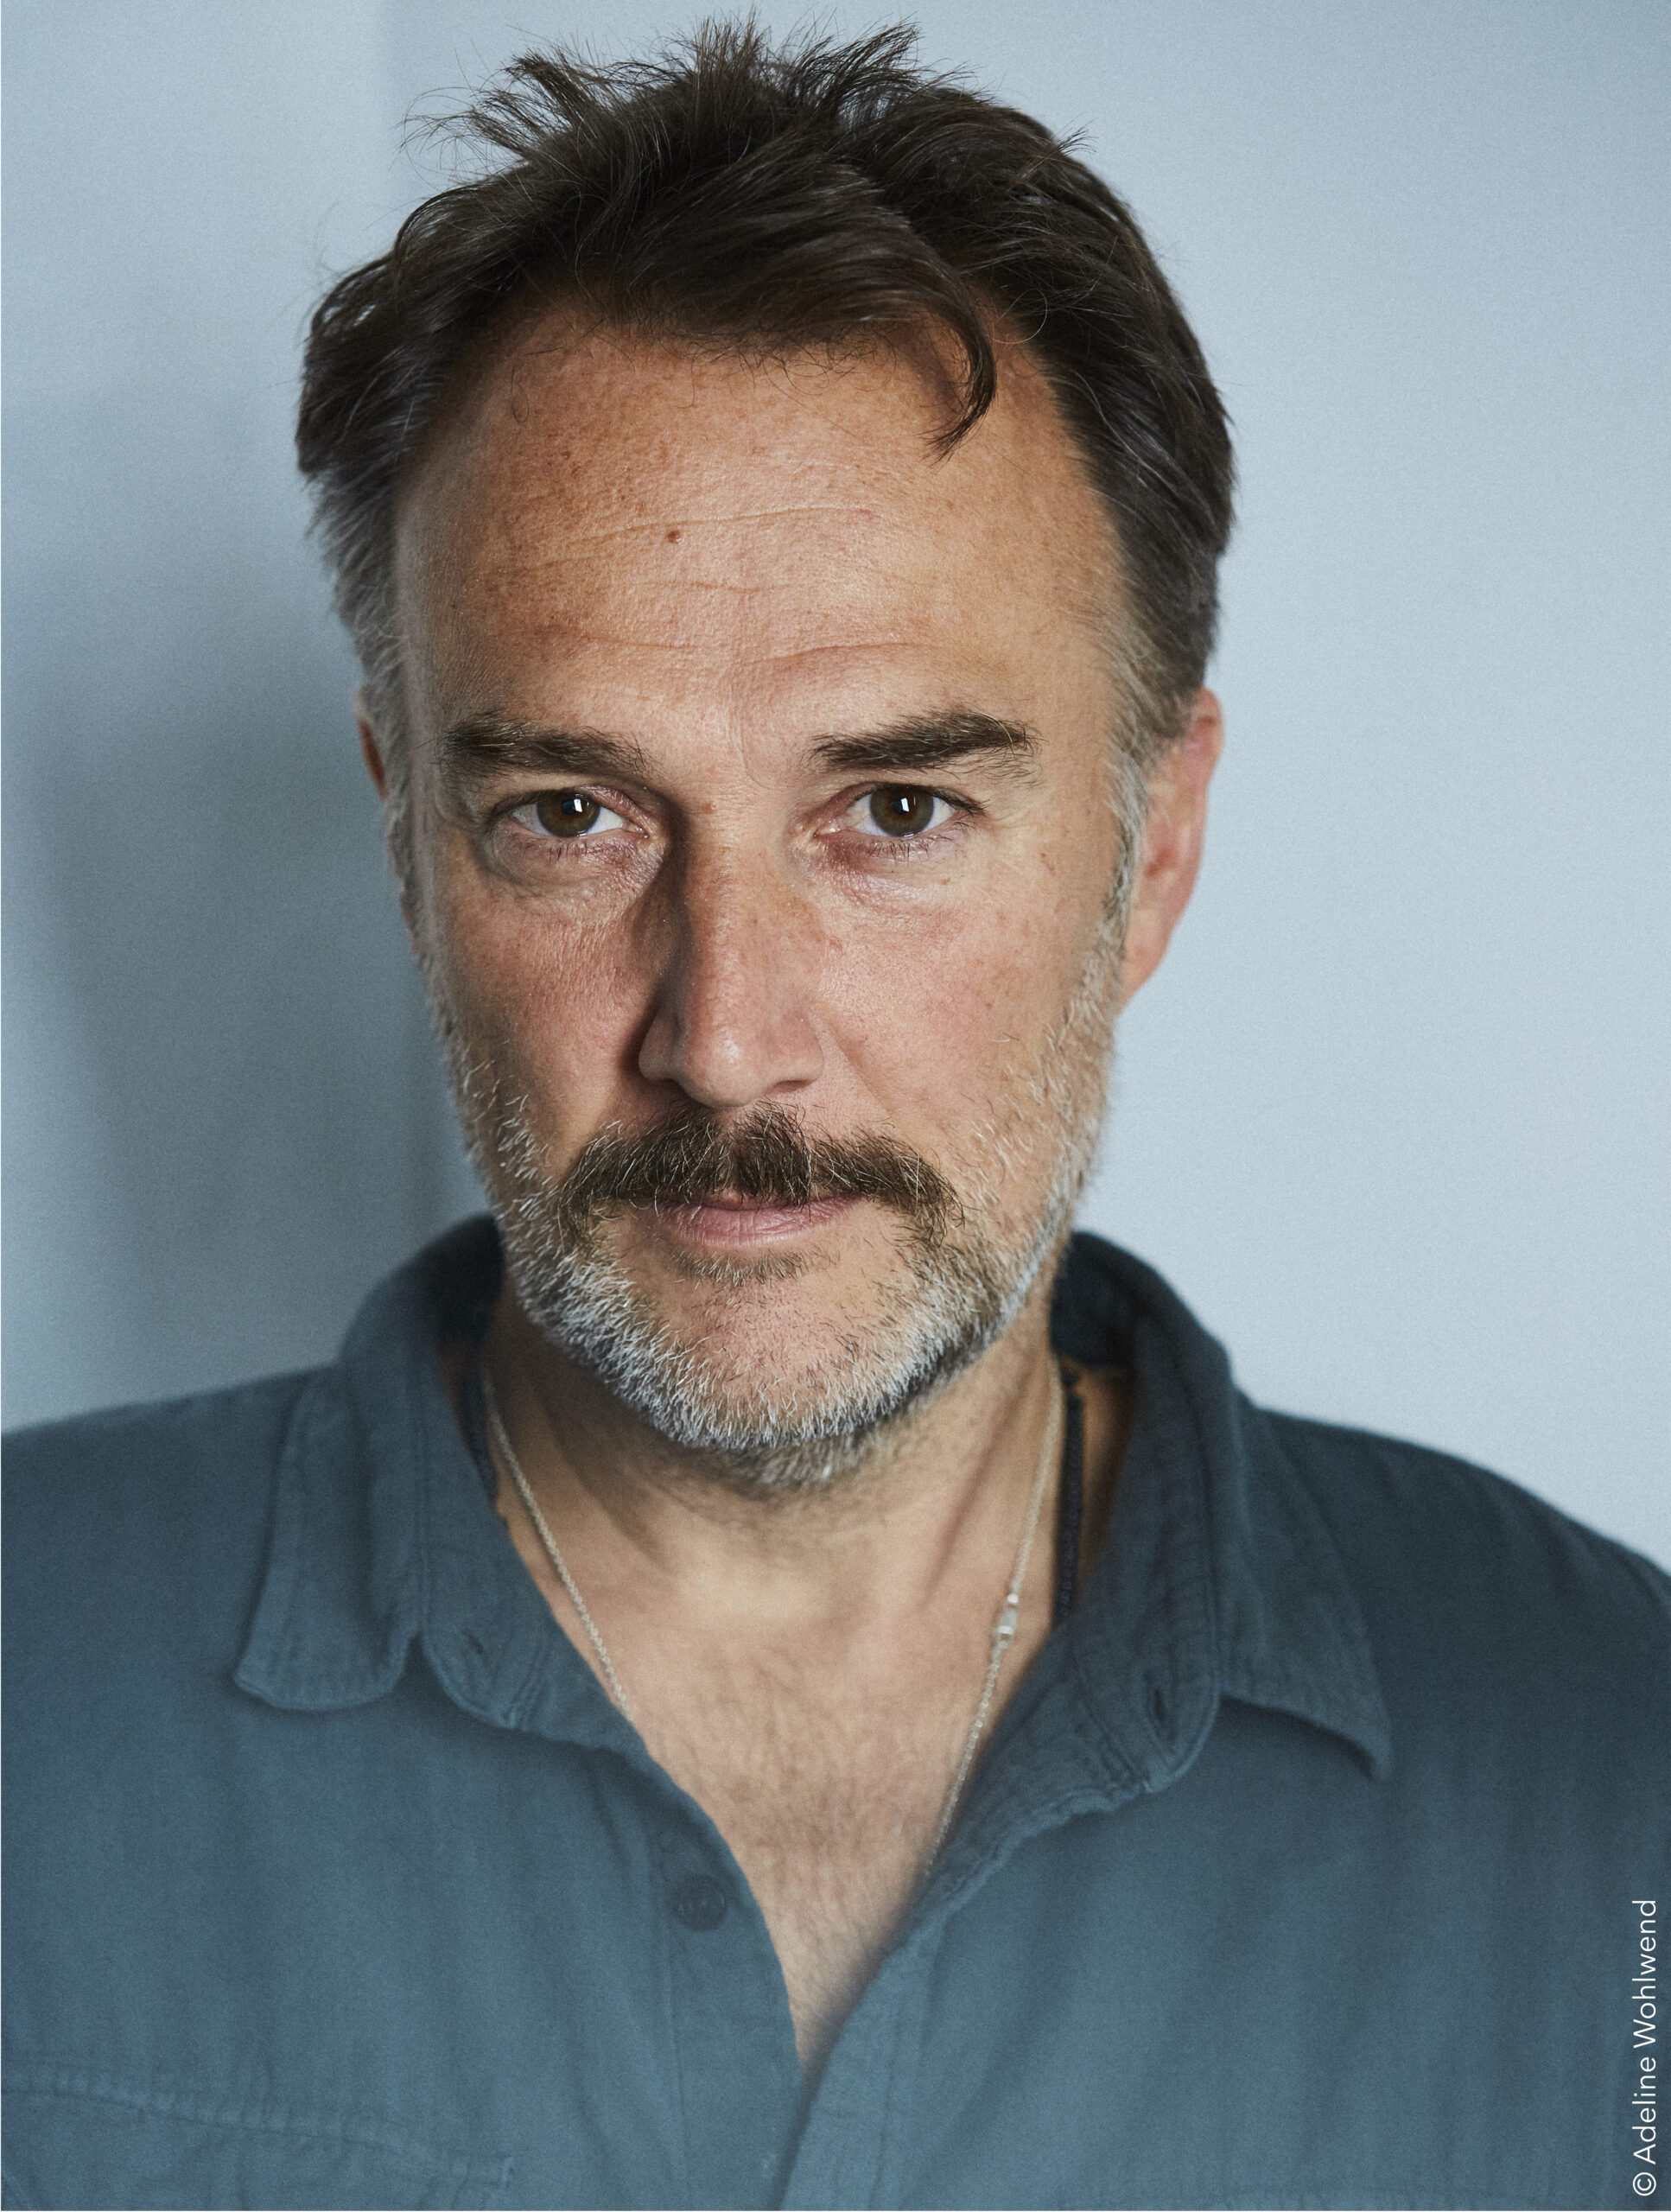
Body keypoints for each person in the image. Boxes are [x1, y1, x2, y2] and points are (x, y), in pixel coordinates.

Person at [3, 22, 1664, 2211]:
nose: (724, 1038)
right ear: (408, 836)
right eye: (572, 812)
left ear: (1154, 848)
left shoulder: (1615, 1773)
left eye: (894, 809)